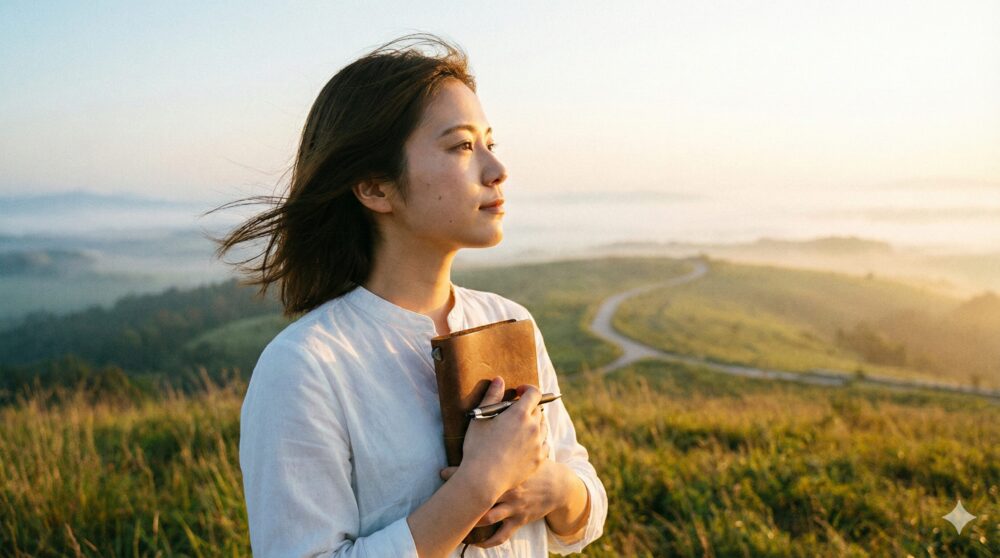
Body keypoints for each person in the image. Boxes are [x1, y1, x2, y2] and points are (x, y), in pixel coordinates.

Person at [210, 32, 607, 557]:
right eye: (462, 145)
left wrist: (555, 487)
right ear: (375, 187)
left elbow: (584, 511)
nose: (496, 169)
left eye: (490, 142)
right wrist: (477, 486)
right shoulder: (307, 367)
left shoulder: (509, 323)